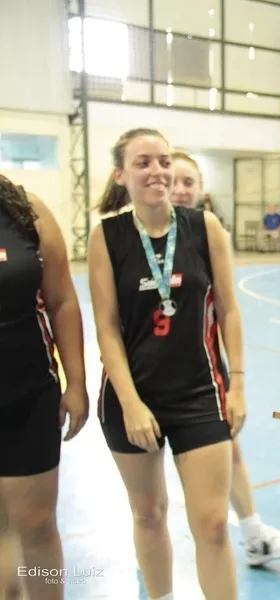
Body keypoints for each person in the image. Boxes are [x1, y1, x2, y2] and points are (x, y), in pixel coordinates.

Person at [88, 128, 246, 600]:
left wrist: (236, 382)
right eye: (143, 163)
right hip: (133, 399)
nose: (157, 171)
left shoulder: (204, 227)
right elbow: (107, 328)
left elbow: (230, 309)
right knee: (149, 514)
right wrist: (132, 404)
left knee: (214, 525)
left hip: (201, 393)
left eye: (163, 161)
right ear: (121, 175)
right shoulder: (108, 236)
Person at [170, 150, 280, 565]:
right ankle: (151, 544)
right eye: (173, 180)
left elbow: (228, 308)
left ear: (201, 189)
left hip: (203, 371)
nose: (180, 189)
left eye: (189, 182)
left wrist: (237, 380)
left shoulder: (208, 235)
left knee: (229, 447)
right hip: (149, 376)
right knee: (151, 467)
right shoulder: (126, 240)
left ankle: (254, 535)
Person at [0, 175, 89, 600]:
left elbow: (63, 301)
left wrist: (77, 383)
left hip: (28, 395)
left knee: (37, 526)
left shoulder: (25, 211)